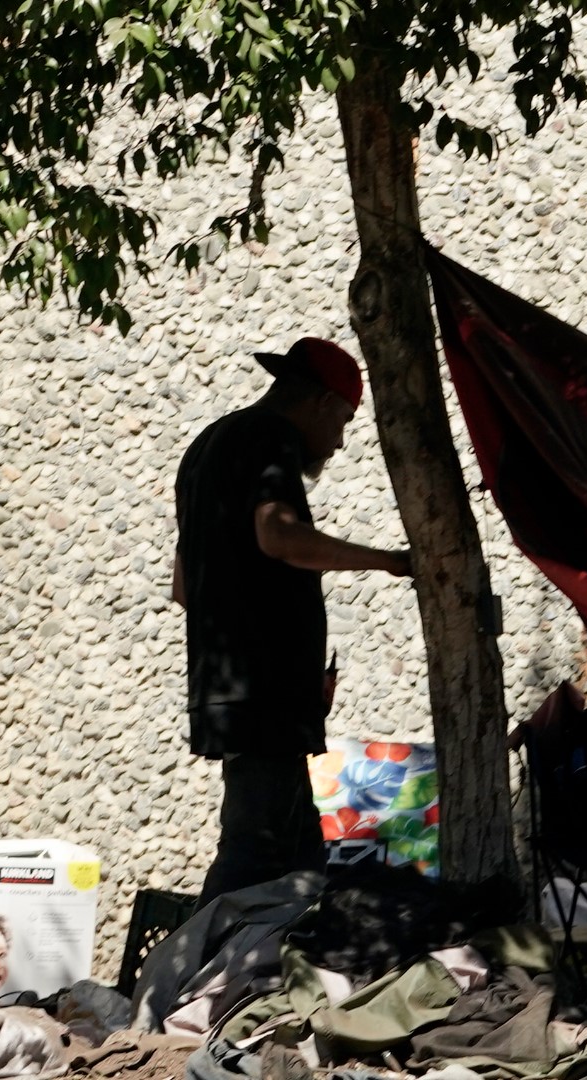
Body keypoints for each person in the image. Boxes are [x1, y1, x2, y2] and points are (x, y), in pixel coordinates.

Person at [172, 337, 412, 907]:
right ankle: (185, 984)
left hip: (235, 691)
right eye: (344, 420)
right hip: (263, 697)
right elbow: (277, 534)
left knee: (299, 861)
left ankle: (280, 979)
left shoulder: (207, 447)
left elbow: (186, 587)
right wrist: (390, 562)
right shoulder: (269, 438)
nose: (341, 439)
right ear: (324, 402)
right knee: (255, 852)